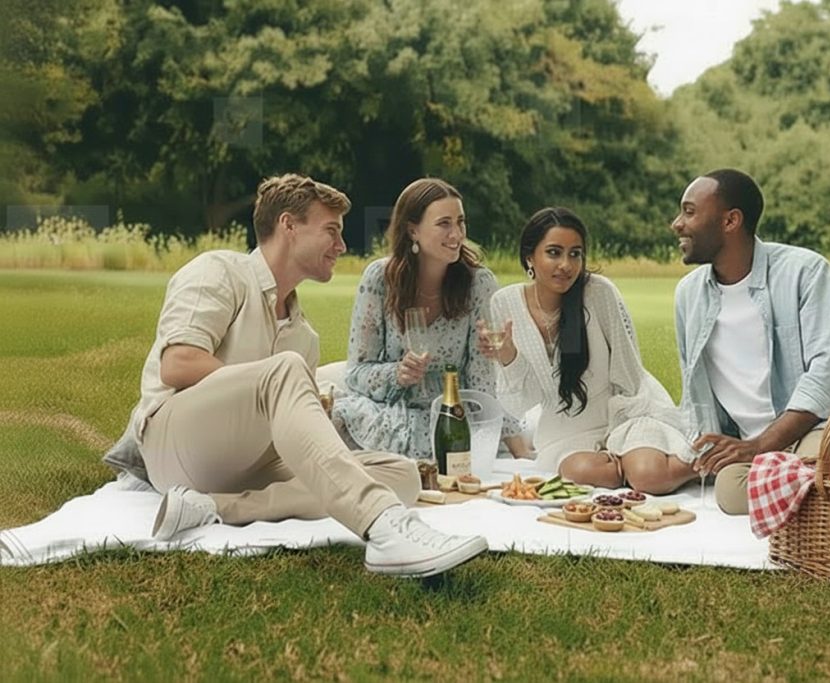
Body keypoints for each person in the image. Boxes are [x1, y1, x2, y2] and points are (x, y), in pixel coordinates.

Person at [124, 173, 486, 577]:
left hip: (249, 461)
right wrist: (273, 388)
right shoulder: (221, 271)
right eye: (331, 231)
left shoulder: (303, 336)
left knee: (400, 475)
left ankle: (215, 507)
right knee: (287, 370)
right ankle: (381, 527)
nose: (342, 246)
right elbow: (178, 363)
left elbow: (297, 420)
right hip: (175, 445)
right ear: (289, 226)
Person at [671, 168, 830, 514]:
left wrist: (761, 444)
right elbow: (695, 391)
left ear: (731, 221)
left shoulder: (806, 271)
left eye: (690, 211)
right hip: (755, 448)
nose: (677, 224)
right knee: (729, 493)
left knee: (817, 477)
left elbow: (827, 372)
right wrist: (711, 450)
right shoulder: (688, 294)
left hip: (818, 429)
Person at [479, 207, 697, 493]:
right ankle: (624, 466)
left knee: (648, 477)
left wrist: (621, 435)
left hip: (627, 411)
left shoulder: (598, 293)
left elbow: (629, 376)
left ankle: (707, 462)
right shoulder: (504, 303)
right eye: (554, 253)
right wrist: (508, 357)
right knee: (576, 472)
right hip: (569, 429)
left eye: (575, 254)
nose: (566, 265)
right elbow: (520, 405)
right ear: (530, 256)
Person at [332, 177, 526, 460]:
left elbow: (483, 380)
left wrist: (519, 451)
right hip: (389, 415)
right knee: (328, 420)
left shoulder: (479, 284)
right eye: (444, 223)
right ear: (413, 230)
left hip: (452, 419)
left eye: (460, 222)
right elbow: (356, 373)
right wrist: (397, 373)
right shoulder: (380, 279)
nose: (457, 234)